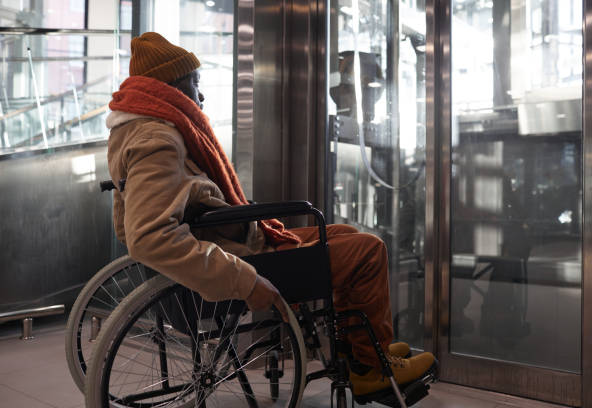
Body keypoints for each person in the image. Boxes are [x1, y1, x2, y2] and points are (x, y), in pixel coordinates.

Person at [106, 32, 435, 399]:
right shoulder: (158, 139)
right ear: (174, 87)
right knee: (368, 251)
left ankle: (365, 348)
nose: (202, 96)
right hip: (242, 258)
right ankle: (369, 369)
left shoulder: (142, 130)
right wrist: (243, 281)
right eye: (196, 83)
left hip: (234, 241)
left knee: (343, 233)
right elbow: (149, 236)